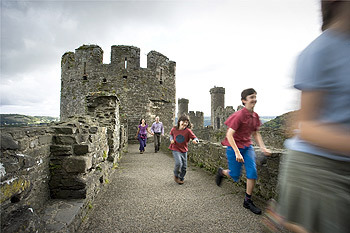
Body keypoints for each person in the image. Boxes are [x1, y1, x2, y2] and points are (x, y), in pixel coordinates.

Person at [262, 1, 350, 233]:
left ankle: (282, 221)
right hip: (319, 169)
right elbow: (304, 126)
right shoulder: (321, 50)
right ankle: (283, 222)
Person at [215, 88, 271, 215]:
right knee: (235, 175)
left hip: (247, 147)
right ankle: (222, 172)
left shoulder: (255, 116)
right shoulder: (239, 115)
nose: (254, 99)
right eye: (251, 97)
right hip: (234, 147)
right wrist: (236, 152)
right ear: (244, 101)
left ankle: (247, 200)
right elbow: (229, 134)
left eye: (255, 97)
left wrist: (263, 147)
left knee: (252, 172)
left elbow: (256, 133)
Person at [169, 115, 199, 185]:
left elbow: (195, 138)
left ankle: (181, 177)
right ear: (179, 121)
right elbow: (171, 135)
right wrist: (171, 139)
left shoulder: (188, 131)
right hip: (175, 148)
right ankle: (176, 175)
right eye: (183, 121)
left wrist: (196, 141)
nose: (185, 124)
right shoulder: (174, 129)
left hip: (184, 150)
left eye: (186, 122)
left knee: (184, 167)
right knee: (179, 163)